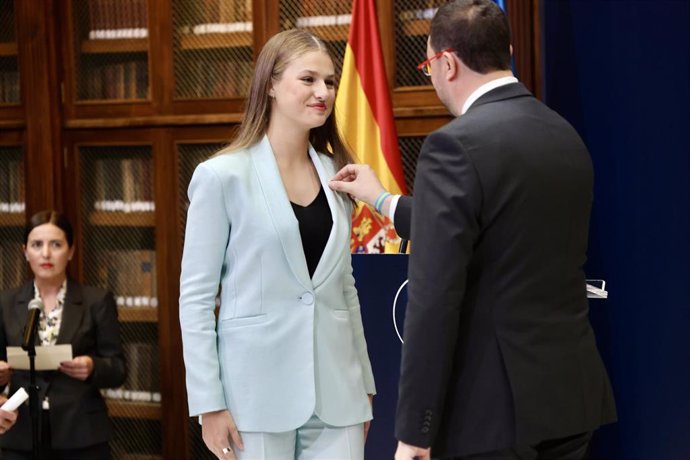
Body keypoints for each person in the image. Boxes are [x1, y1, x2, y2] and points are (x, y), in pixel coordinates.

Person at [331, 1, 617, 459]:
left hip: (492, 420)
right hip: (571, 401)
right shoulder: (563, 133)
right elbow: (499, 231)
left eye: (426, 66)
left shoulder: (455, 145)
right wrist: (383, 200)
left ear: (446, 63)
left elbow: (433, 298)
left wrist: (413, 431)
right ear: (504, 50)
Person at [179, 29, 376, 460]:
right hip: (255, 394)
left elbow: (345, 288)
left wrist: (364, 385)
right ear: (270, 83)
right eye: (308, 79)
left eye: (329, 81)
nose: (323, 92)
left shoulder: (338, 175)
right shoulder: (222, 176)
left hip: (338, 393)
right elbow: (195, 298)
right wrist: (208, 402)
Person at [0, 210, 126, 459]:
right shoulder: (5, 302)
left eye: (56, 244)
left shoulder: (96, 301)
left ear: (70, 251)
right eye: (37, 245)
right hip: (19, 430)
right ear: (25, 251)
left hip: (81, 433)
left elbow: (119, 369)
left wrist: (92, 367)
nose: (45, 254)